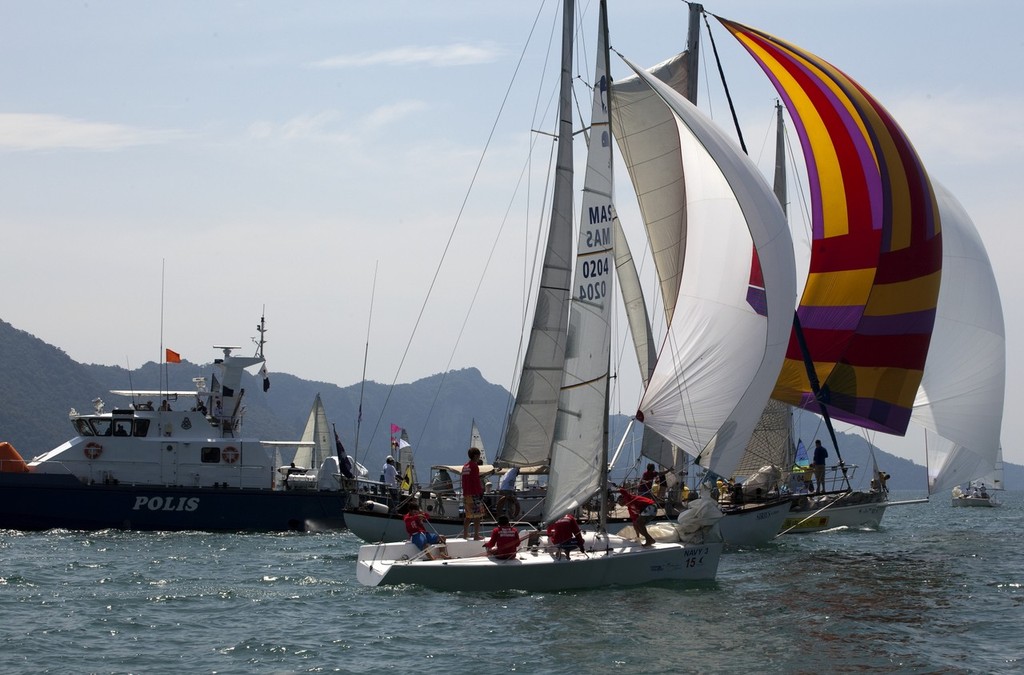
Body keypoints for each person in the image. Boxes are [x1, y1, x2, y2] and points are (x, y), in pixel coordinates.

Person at [461, 447, 484, 540]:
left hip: (466, 493)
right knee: (477, 515)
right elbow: (476, 480)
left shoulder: (465, 466)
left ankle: (465, 534)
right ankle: (476, 535)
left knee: (468, 515)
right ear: (475, 456)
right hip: (474, 493)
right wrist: (480, 491)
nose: (479, 457)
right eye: (479, 455)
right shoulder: (474, 466)